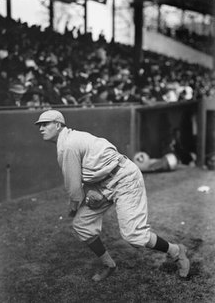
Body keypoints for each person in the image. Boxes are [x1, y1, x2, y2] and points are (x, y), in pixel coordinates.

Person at [35, 110, 190, 282]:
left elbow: (74, 189)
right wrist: (89, 192)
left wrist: (73, 207)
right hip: (103, 183)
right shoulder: (67, 141)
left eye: (45, 124)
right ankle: (108, 265)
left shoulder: (69, 145)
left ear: (58, 125)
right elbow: (87, 172)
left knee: (133, 235)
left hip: (124, 178)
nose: (41, 128)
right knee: (82, 225)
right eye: (40, 125)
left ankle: (176, 251)